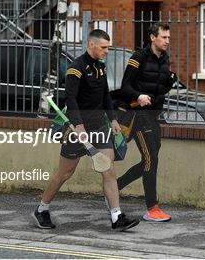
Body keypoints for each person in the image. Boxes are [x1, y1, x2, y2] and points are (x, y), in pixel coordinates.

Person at [32, 29, 139, 232]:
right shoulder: (76, 69)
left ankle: (117, 216)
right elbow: (70, 99)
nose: (107, 51)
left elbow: (105, 95)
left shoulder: (101, 67)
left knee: (108, 170)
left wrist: (113, 119)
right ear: (92, 45)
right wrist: (78, 126)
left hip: (99, 126)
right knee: (65, 173)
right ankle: (41, 209)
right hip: (76, 129)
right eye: (104, 47)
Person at [117, 22, 176, 222]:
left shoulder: (164, 59)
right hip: (137, 115)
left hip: (153, 116)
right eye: (164, 37)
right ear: (153, 37)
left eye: (168, 37)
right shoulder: (138, 57)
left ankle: (115, 187)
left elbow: (159, 88)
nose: (167, 41)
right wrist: (139, 96)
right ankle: (152, 208)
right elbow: (125, 87)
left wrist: (169, 82)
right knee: (151, 160)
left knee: (150, 161)